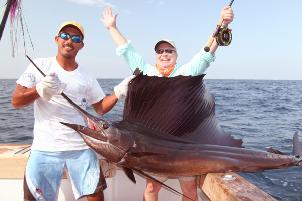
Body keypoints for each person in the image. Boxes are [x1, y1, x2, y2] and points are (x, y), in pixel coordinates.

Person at [101, 6, 234, 201]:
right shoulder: (146, 72)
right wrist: (112, 27)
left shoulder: (187, 71)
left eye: (169, 50)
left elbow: (207, 52)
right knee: (151, 190)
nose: (164, 54)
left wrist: (222, 23)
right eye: (160, 51)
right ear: (155, 55)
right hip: (155, 149)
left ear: (176, 55)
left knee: (189, 192)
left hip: (184, 146)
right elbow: (127, 51)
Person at [11, 21, 132, 201]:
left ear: (81, 45)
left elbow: (100, 108)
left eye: (76, 38)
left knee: (96, 198)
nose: (69, 41)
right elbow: (16, 101)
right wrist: (39, 89)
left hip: (81, 147)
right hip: (45, 148)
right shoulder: (40, 65)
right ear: (56, 39)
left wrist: (118, 93)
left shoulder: (86, 75)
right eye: (65, 36)